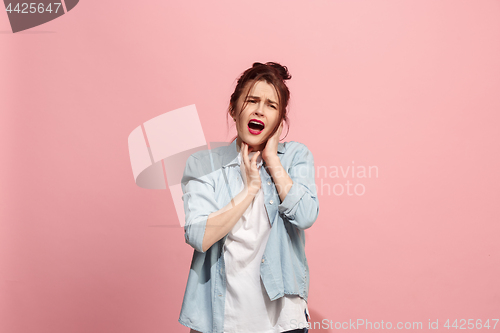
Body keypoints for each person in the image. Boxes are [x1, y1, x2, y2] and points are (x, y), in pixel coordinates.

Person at [178, 62, 319, 333]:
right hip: (220, 320)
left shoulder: (295, 158)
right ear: (233, 108)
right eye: (252, 100)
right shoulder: (203, 165)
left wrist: (272, 162)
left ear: (279, 120)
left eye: (271, 105)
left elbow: (306, 215)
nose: (259, 110)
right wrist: (249, 191)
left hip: (282, 322)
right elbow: (199, 236)